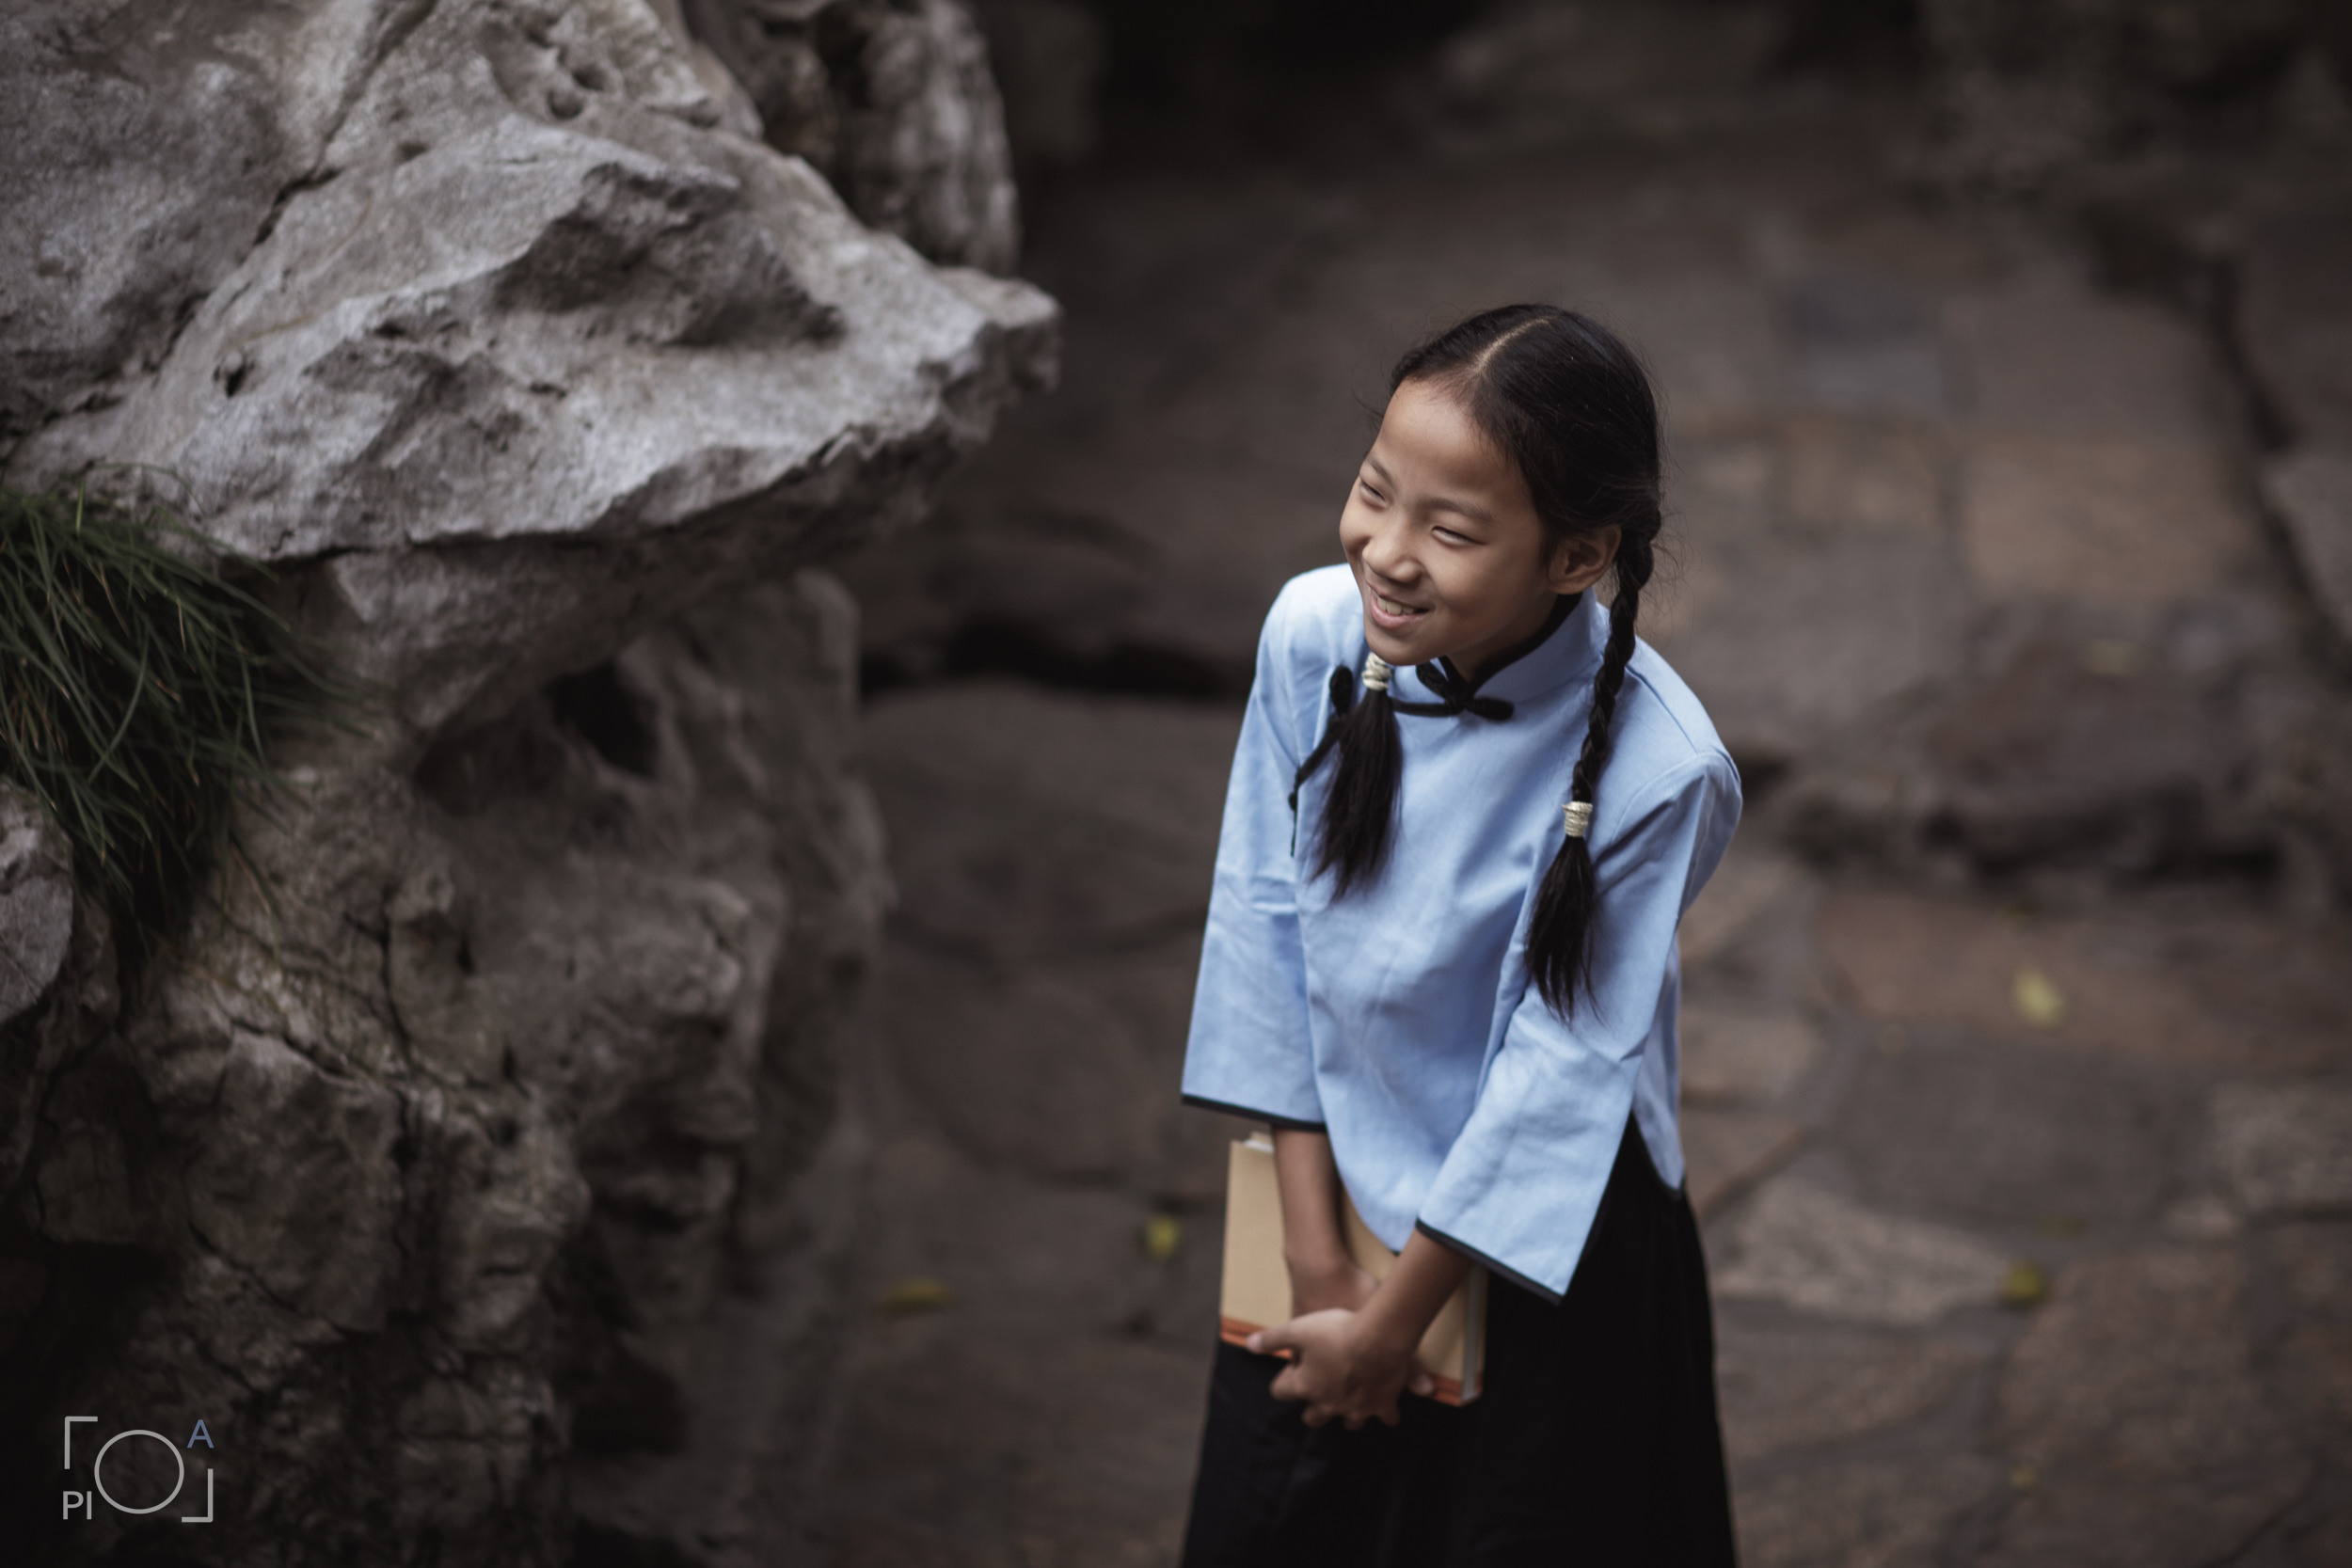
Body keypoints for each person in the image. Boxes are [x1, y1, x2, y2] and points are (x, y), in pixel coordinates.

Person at [1177, 304, 1742, 1565]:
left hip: (1546, 1245)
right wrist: (1321, 1268)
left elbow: (1560, 1070)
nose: (1386, 551)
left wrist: (1390, 1332)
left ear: (1576, 556)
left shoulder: (1661, 769)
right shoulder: (1312, 636)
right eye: (1377, 491)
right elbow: (1263, 923)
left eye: (1452, 528)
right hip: (1324, 1196)